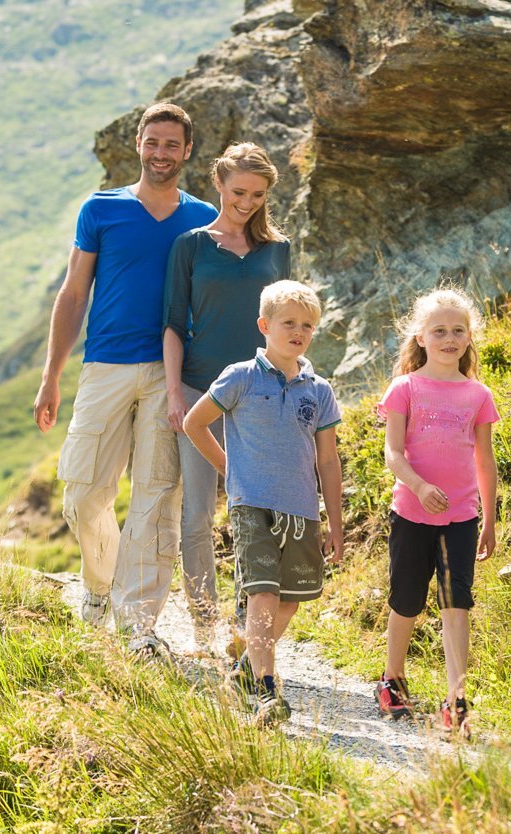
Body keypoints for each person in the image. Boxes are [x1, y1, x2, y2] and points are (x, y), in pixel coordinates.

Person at [32, 102, 219, 645]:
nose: (161, 154)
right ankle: (99, 583)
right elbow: (72, 295)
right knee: (84, 491)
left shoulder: (203, 218)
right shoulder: (100, 210)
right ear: (138, 144)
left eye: (172, 145)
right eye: (152, 142)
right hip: (105, 366)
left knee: (157, 498)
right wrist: (51, 376)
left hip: (171, 373)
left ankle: (137, 627)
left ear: (187, 151)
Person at [182, 280, 344, 725]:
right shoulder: (240, 377)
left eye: (307, 325)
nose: (298, 331)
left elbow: (328, 461)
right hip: (251, 503)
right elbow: (195, 424)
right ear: (264, 325)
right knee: (263, 592)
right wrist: (228, 472)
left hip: (302, 510)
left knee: (290, 600)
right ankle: (267, 690)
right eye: (288, 323)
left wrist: (335, 522)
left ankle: (244, 671)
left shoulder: (319, 390)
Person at [162, 142, 294, 653]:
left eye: (257, 195)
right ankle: (202, 626)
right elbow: (173, 323)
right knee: (197, 513)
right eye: (238, 191)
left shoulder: (277, 250)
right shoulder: (191, 245)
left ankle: (247, 630)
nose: (247, 202)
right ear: (218, 183)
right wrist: (175, 392)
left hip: (261, 395)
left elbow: (287, 324)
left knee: (256, 511)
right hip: (200, 391)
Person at [373, 288, 499, 735]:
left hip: (462, 518)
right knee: (407, 600)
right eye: (439, 330)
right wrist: (420, 486)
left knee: (456, 602)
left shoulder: (478, 394)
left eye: (458, 330)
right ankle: (392, 679)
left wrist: (489, 517)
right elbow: (392, 453)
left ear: (469, 338)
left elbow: (485, 461)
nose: (450, 338)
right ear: (421, 337)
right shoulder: (405, 388)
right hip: (410, 512)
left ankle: (456, 700)